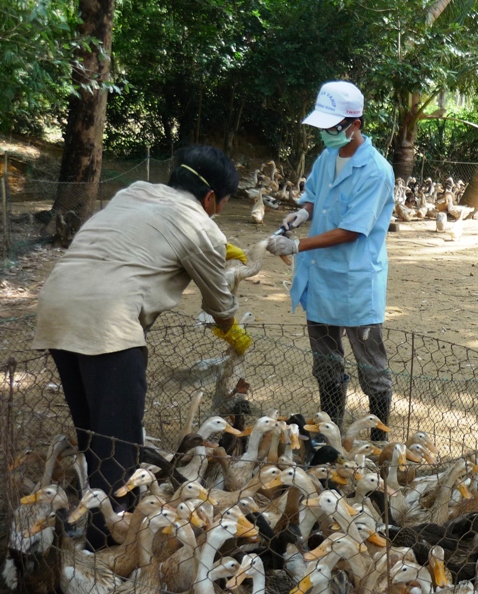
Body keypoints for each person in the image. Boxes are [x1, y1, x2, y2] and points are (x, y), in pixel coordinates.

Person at [32, 145, 252, 546]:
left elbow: (143, 238)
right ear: (209, 199)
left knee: (94, 434)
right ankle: (108, 546)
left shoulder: (133, 191)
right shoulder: (202, 226)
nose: (218, 211)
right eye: (222, 203)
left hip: (57, 306)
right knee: (117, 447)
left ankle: (90, 523)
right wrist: (231, 330)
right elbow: (220, 302)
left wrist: (217, 250)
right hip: (108, 322)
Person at [266, 81, 395, 440]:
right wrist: (296, 219)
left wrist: (297, 247)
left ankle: (378, 439)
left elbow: (352, 230)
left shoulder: (376, 171)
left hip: (355, 280)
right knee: (326, 361)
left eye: (333, 127)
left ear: (355, 124)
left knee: (371, 365)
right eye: (322, 127)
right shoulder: (325, 159)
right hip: (321, 278)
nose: (326, 134)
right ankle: (330, 433)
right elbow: (312, 199)